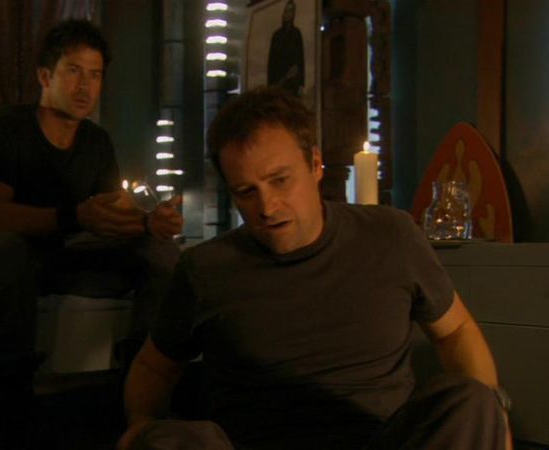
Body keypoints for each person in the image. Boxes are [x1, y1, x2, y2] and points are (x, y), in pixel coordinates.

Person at [118, 87, 512, 450]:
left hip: (379, 441)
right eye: (246, 191)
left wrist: (494, 418)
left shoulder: (391, 235)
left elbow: (456, 331)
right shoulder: (206, 268)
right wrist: (140, 424)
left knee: (472, 400)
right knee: (173, 439)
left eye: (280, 180)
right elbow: (155, 365)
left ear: (316, 164)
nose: (267, 206)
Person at [0, 19, 183, 449]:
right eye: (73, 71)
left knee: (161, 254)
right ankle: (11, 413)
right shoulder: (3, 128)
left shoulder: (96, 142)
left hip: (61, 262)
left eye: (95, 75)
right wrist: (75, 216)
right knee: (7, 250)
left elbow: (109, 218)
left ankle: (138, 394)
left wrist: (150, 223)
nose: (85, 86)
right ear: (44, 76)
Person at [267, 0, 304, 96]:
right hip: (278, 82)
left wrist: (301, 83)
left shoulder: (296, 33)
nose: (288, 14)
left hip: (293, 84)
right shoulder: (277, 35)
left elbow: (301, 60)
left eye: (291, 11)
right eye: (286, 11)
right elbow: (271, 62)